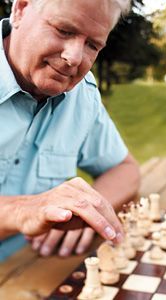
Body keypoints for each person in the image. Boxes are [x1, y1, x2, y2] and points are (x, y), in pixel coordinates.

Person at [0, 0, 140, 261]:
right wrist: (23, 210)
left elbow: (125, 169)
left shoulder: (82, 94)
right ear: (20, 9)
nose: (74, 58)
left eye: (92, 45)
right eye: (64, 30)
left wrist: (85, 211)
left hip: (34, 272)